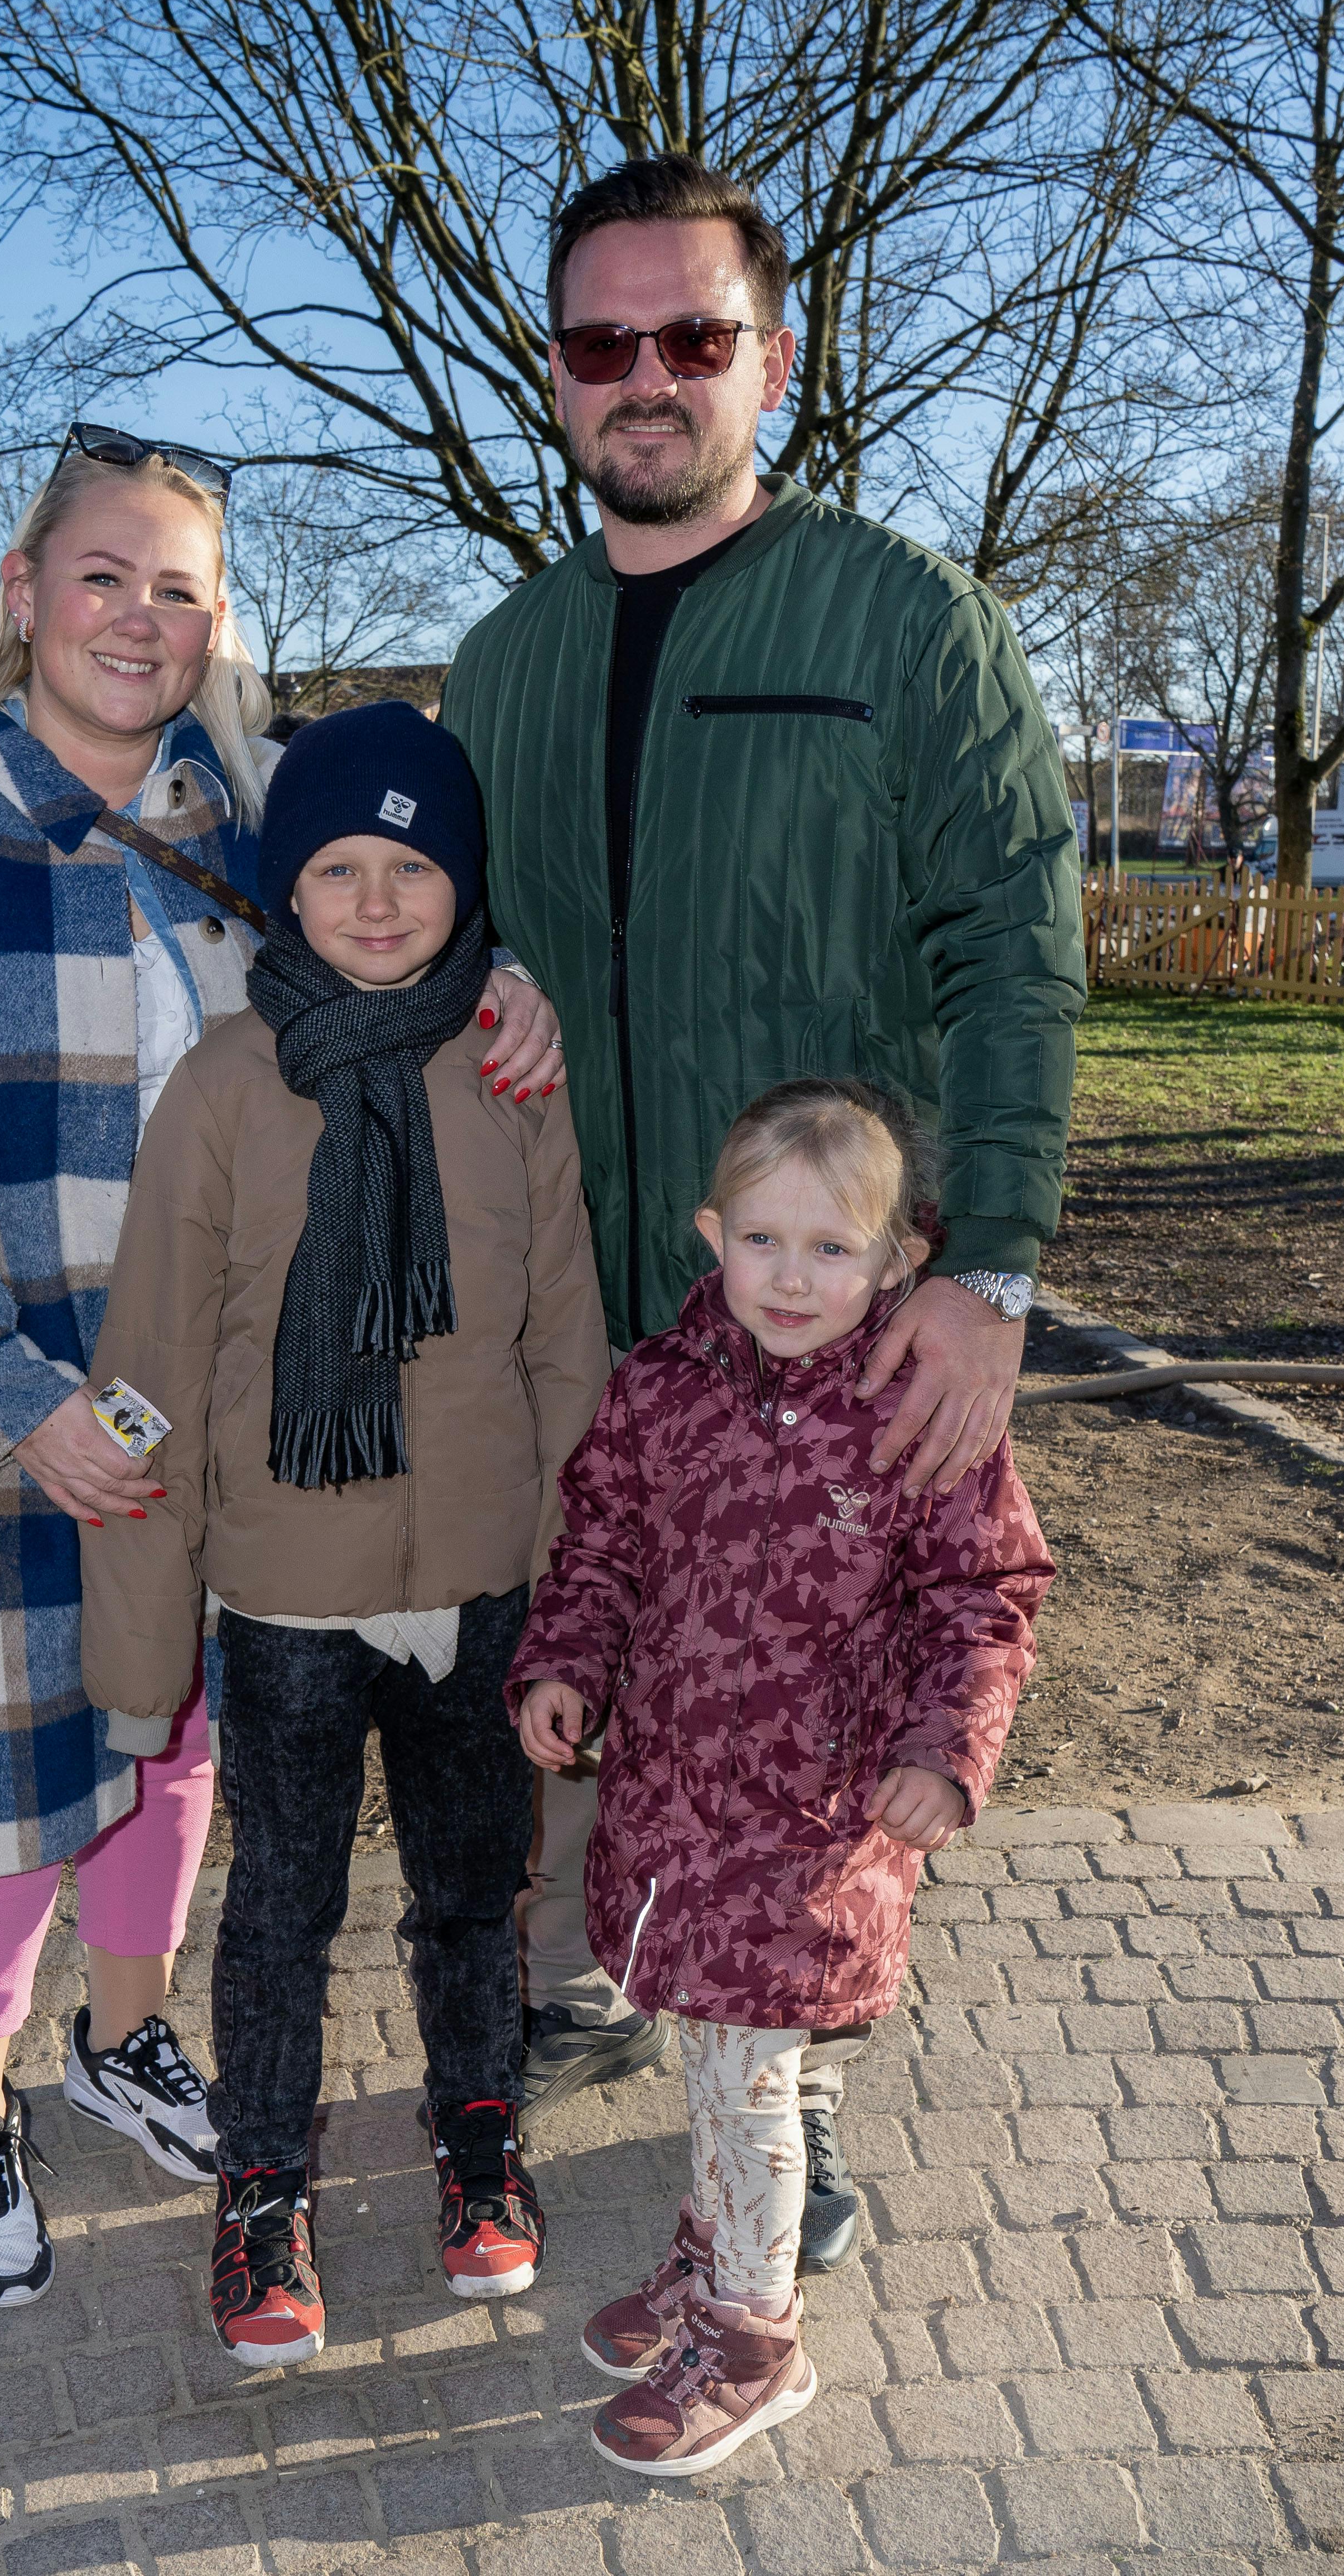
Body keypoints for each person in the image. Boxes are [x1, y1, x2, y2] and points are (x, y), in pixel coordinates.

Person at [0, 427, 572, 2314]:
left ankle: (125, 2032)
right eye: (103, 576)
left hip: (214, 1394)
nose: (139, 617)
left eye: (178, 588)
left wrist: (505, 985)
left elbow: (402, 932)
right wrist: (7, 1387)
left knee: (173, 1729)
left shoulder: (253, 815)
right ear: (24, 593)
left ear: (218, 622)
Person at [439, 156, 1086, 2253]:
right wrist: (494, 974)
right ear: (556, 371)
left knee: (818, 1711)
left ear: (770, 362)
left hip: (829, 1307)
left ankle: (787, 2096)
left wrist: (986, 1271)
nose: (644, 375)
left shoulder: (905, 621)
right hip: (594, 1299)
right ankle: (623, 1966)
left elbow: (1013, 952)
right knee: (619, 1653)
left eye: (691, 334)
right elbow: (462, 933)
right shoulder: (506, 658)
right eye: (598, 339)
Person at [78, 702, 612, 2370]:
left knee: (472, 1893)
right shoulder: (222, 1085)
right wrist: (139, 1639)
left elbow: (566, 1348)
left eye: (412, 867)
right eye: (336, 868)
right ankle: (262, 2182)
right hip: (284, 1594)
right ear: (283, 886)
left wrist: (585, 1596)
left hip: (483, 1581)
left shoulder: (512, 1069)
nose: (377, 902)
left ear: (464, 885)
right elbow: (150, 1364)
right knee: (279, 1909)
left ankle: (477, 2130)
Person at [508, 1080, 1052, 2474]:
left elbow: (984, 1596)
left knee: (750, 2082)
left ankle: (756, 2342)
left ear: (897, 1258)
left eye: (830, 1247)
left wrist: (947, 1750)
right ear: (712, 1235)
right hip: (674, 1805)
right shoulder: (660, 1387)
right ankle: (712, 2258)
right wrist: (563, 1662)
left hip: (819, 1825)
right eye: (763, 1240)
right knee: (713, 2061)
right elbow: (599, 1547)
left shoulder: (920, 1409)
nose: (792, 1277)